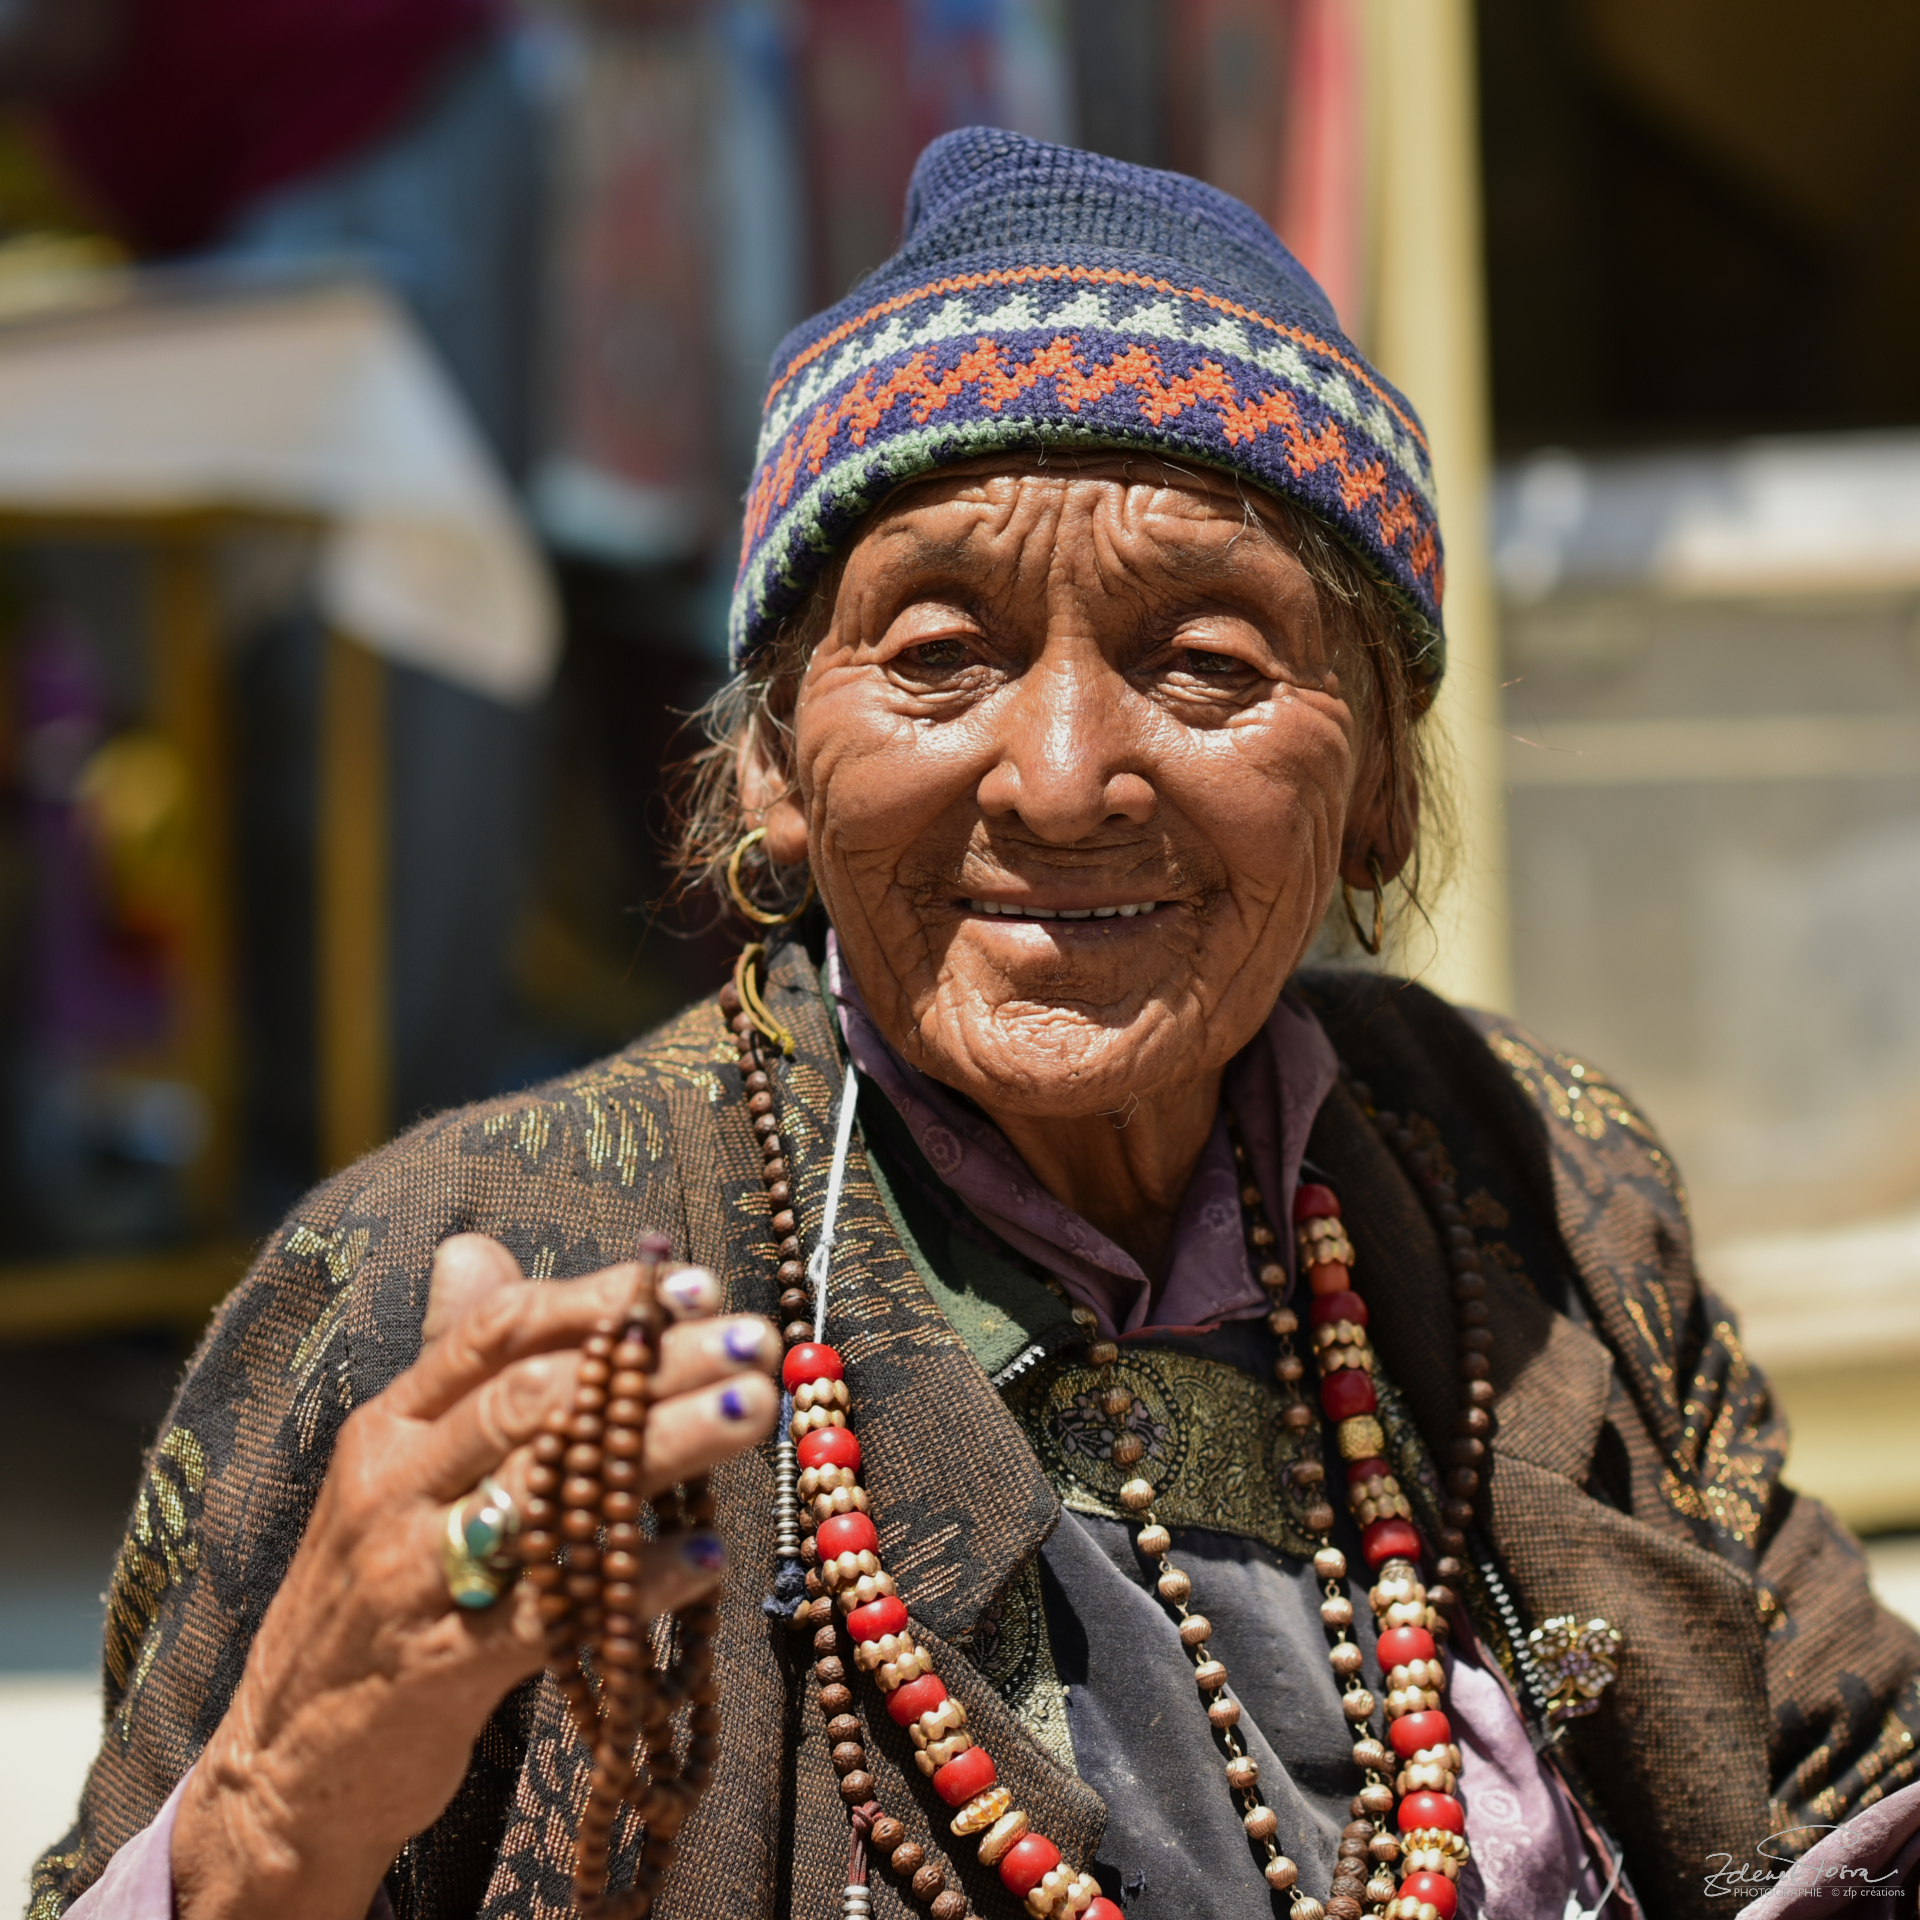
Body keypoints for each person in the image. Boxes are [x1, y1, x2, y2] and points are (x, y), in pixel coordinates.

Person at [31, 130, 1920, 1920]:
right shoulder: (463, 1280)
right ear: (774, 768)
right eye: (938, 655)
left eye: (1208, 660)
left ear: (1383, 794)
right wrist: (281, 1807)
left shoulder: (1529, 1174)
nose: (1068, 774)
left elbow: (1856, 1781)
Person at [0, 0, 548, 1194]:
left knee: (397, 639)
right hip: (226, 176)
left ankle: (399, 1193)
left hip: (358, 124)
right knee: (264, 684)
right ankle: (291, 1179)